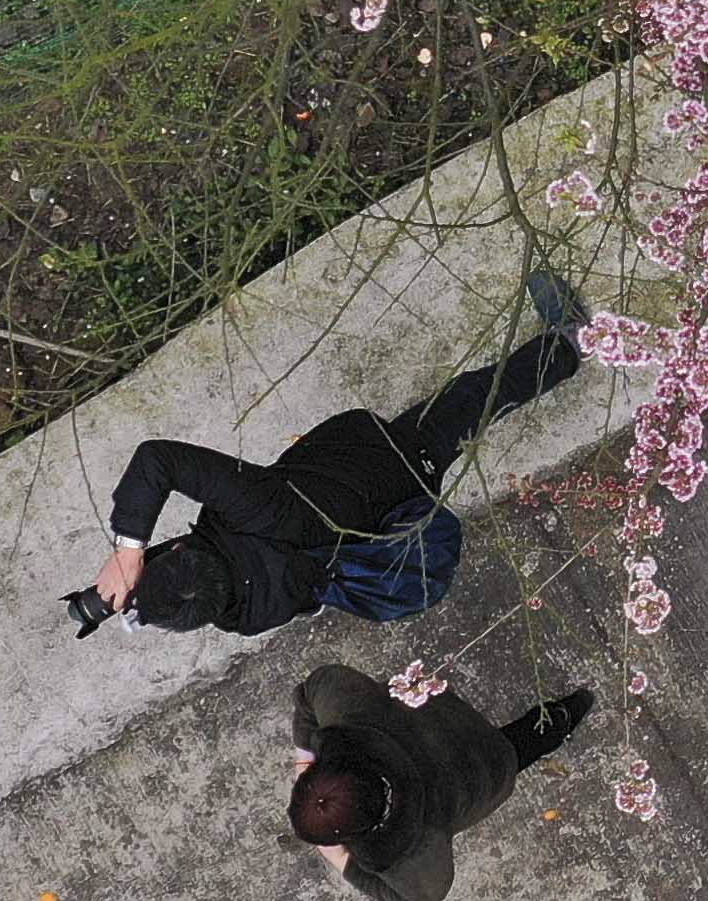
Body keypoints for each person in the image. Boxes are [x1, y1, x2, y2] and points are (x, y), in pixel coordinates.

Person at [81, 269, 587, 638]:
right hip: (397, 466)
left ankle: (559, 353)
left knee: (462, 410)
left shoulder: (247, 614)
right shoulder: (257, 512)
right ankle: (566, 348)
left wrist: (139, 591)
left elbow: (206, 571)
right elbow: (158, 461)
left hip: (377, 519)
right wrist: (128, 552)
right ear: (179, 551)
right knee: (472, 401)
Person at [287, 660, 594, 901]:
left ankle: (566, 715)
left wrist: (341, 860)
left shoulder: (412, 849)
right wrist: (304, 757)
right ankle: (569, 710)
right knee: (529, 736)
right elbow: (312, 689)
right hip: (441, 716)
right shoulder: (346, 708)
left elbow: (421, 897)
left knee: (519, 747)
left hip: (482, 772)